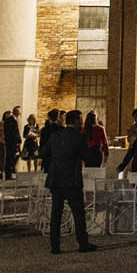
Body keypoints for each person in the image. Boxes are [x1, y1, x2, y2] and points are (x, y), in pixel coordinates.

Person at [42, 109, 95, 254]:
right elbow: (88, 157)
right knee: (78, 214)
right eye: (81, 119)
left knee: (56, 214)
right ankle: (82, 244)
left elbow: (44, 153)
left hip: (56, 179)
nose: (82, 122)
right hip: (72, 180)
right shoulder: (79, 137)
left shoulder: (55, 136)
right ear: (76, 121)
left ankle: (55, 246)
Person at [0, 108, 21, 180]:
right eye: (19, 110)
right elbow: (13, 132)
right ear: (16, 112)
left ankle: (9, 174)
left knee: (11, 158)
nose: (20, 111)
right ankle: (8, 175)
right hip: (11, 143)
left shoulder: (12, 120)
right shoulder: (11, 120)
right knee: (10, 159)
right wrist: (17, 141)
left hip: (11, 142)